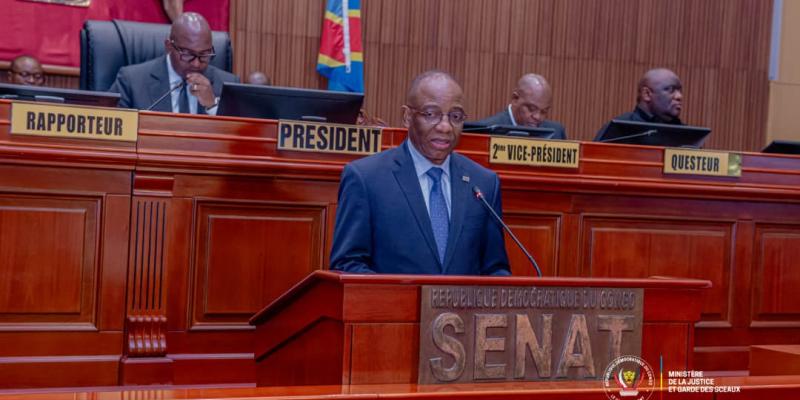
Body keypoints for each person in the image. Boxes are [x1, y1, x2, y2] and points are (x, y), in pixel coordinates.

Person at [329, 70, 511, 275]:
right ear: (407, 117)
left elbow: (495, 269)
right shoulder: (366, 178)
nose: (445, 127)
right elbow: (347, 265)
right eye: (431, 114)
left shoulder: (483, 183)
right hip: (392, 306)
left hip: (462, 308)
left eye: (456, 116)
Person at [109, 12, 239, 114]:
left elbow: (240, 137)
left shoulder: (228, 85)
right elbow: (112, 127)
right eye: (188, 54)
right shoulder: (132, 81)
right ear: (169, 46)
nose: (196, 64)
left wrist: (213, 106)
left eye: (204, 54)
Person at [595, 68, 684, 138]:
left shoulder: (686, 133)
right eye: (671, 90)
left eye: (680, 91)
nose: (679, 96)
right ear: (647, 94)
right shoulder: (619, 128)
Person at [474, 73, 566, 139]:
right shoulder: (485, 131)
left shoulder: (556, 133)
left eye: (544, 111)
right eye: (531, 109)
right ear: (515, 99)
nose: (538, 117)